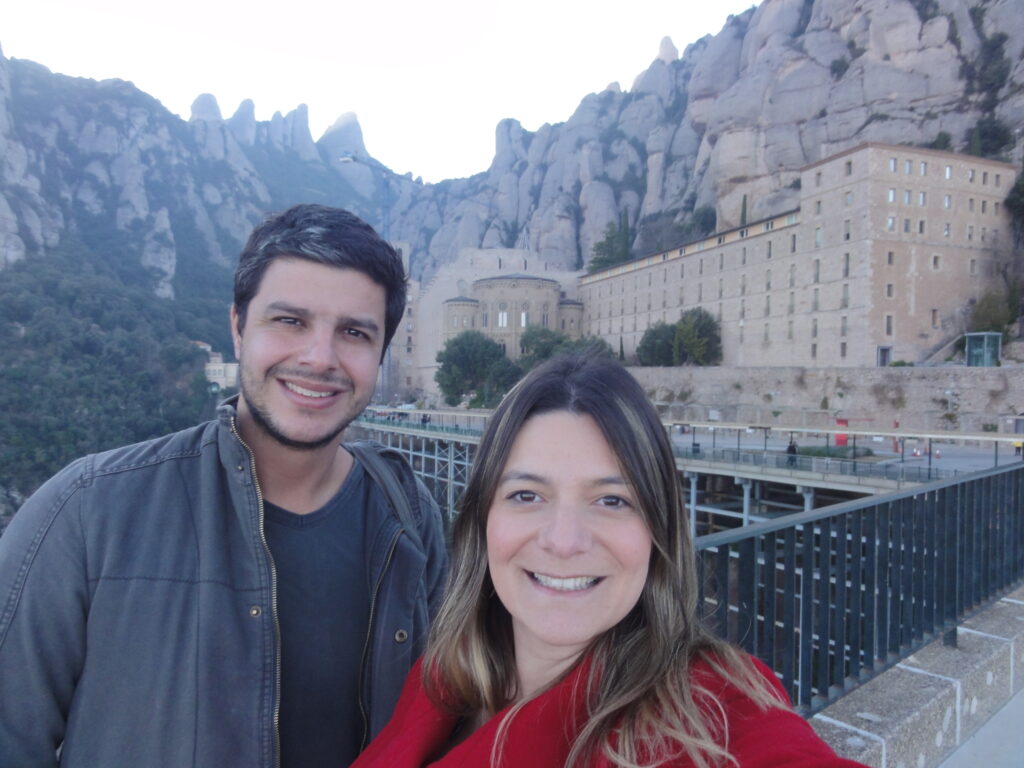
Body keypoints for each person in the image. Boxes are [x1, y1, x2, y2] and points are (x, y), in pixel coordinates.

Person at [0, 204, 448, 768]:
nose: (319, 357)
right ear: (238, 327)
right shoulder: (89, 511)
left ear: (380, 355)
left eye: (354, 332)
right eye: (289, 321)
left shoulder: (407, 515)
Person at [354, 353, 864, 768]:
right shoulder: (439, 678)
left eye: (612, 500)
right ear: (482, 519)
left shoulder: (712, 711)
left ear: (657, 530)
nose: (564, 540)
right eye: (527, 495)